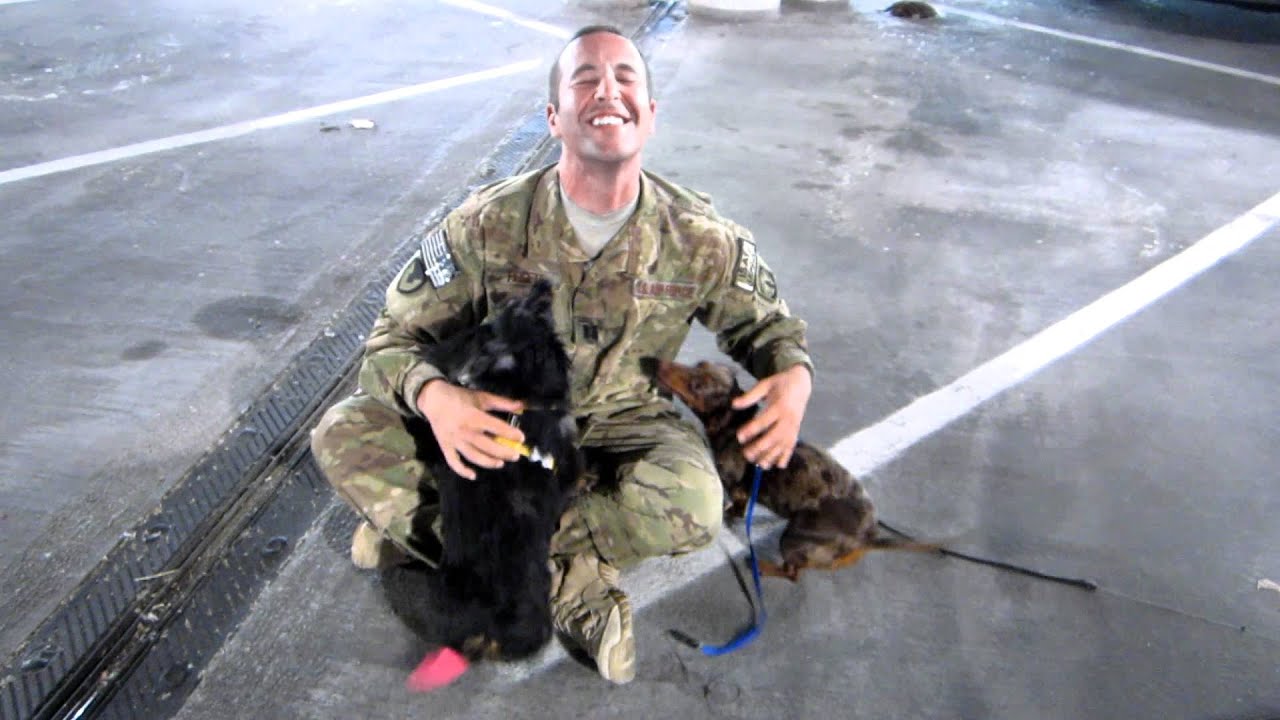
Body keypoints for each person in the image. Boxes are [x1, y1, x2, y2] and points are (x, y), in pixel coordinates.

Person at [310, 25, 814, 684]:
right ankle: (575, 582)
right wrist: (439, 399)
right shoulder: (488, 224)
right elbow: (388, 342)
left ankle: (467, 550)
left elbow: (769, 328)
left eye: (626, 78)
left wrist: (794, 376)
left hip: (624, 426)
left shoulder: (699, 236)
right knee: (343, 434)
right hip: (502, 428)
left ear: (651, 115)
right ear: (554, 118)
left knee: (693, 499)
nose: (608, 91)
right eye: (585, 79)